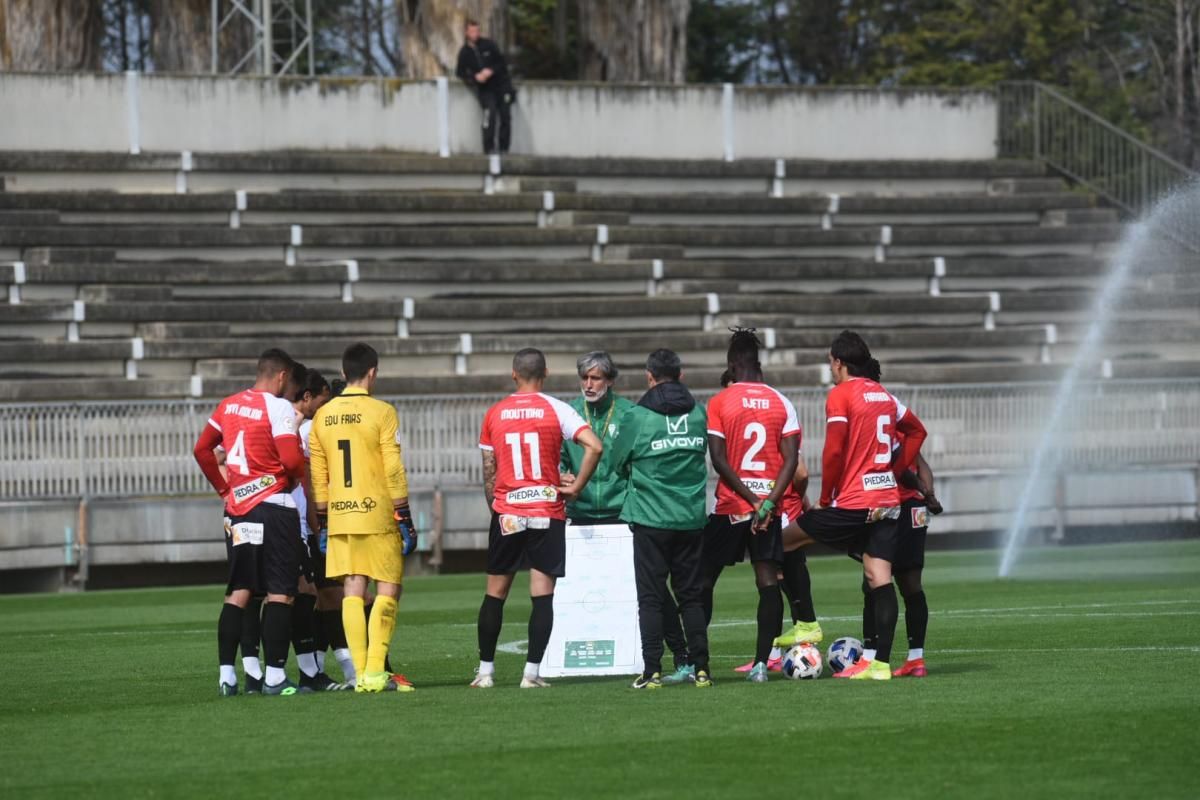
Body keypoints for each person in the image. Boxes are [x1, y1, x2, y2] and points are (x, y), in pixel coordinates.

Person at [793, 330, 927, 681]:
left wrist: (825, 499)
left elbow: (834, 450)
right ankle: (879, 664)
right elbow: (917, 432)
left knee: (779, 543)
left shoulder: (842, 394)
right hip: (887, 501)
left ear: (838, 362)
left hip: (853, 503)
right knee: (878, 578)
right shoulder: (884, 396)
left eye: (831, 363)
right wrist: (895, 471)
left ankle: (804, 624)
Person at [471, 348, 603, 689]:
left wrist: (498, 509)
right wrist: (576, 489)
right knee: (542, 595)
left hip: (508, 512)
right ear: (544, 374)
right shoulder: (557, 408)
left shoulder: (495, 413)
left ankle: (485, 672)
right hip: (546, 510)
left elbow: (489, 471)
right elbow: (595, 447)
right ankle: (531, 674)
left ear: (514, 375)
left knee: (495, 594)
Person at [559, 352, 694, 684]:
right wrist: (560, 473)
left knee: (654, 590)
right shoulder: (568, 414)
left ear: (610, 380)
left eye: (596, 378)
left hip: (622, 513)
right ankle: (563, 659)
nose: (589, 384)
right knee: (577, 591)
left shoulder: (632, 413)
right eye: (585, 378)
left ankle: (681, 654)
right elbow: (557, 458)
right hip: (582, 513)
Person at [193, 348, 307, 697]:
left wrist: (225, 489)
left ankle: (228, 676)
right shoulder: (279, 408)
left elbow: (202, 450)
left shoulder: (227, 405)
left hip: (239, 508)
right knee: (280, 592)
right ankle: (274, 676)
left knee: (239, 591)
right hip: (273, 506)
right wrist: (298, 474)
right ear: (283, 376)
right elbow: (290, 459)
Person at [309, 343, 416, 694]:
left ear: (343, 374)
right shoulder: (382, 411)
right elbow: (392, 467)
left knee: (352, 588)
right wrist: (404, 514)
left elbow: (319, 473)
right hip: (378, 513)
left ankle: (359, 675)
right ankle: (373, 672)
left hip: (340, 516)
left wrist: (323, 520)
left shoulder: (321, 416)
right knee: (388, 587)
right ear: (373, 372)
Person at [608, 349, 713, 690]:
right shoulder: (699, 414)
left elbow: (615, 461)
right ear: (680, 376)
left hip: (651, 518)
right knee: (691, 597)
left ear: (649, 377)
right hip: (691, 518)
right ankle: (702, 670)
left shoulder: (638, 417)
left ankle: (651, 670)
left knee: (651, 598)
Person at [702, 329, 801, 684]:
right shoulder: (782, 402)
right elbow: (791, 461)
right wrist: (768, 502)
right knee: (768, 581)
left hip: (732, 506)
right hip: (767, 512)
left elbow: (718, 459)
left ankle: (699, 663)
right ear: (759, 364)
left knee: (703, 580)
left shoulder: (720, 402)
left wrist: (749, 499)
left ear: (732, 364)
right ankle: (762, 664)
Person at [859, 360, 944, 678]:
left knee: (873, 582)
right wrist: (929, 493)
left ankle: (870, 657)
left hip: (891, 509)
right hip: (916, 511)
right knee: (911, 585)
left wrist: (920, 488)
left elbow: (899, 466)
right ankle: (916, 659)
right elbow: (922, 464)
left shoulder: (874, 416)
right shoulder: (895, 414)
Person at [287, 365, 347, 692]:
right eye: (322, 402)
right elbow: (310, 483)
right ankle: (314, 672)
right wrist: (317, 526)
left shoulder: (303, 426)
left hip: (311, 522)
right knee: (320, 595)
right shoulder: (309, 429)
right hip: (310, 524)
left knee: (323, 596)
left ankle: (315, 671)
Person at [455, 19, 515, 155]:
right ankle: (489, 148)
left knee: (505, 116)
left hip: (501, 86)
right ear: (466, 32)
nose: (475, 34)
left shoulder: (489, 45)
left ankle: (504, 148)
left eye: (477, 31)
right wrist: (474, 78)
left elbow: (501, 63)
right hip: (485, 90)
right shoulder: (464, 52)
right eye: (472, 31)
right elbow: (460, 73)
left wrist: (490, 71)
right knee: (490, 114)